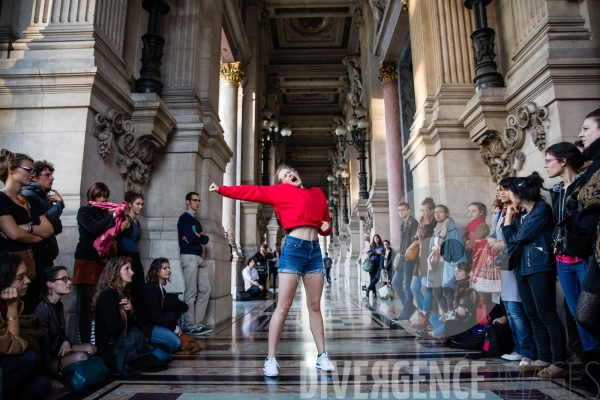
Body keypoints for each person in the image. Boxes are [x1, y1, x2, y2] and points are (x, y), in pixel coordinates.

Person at [210, 164, 334, 377]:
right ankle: (270, 358)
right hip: (293, 249)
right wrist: (222, 189)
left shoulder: (317, 193)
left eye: (291, 172)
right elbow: (251, 192)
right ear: (282, 182)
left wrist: (326, 228)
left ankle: (322, 355)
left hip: (314, 252)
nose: (290, 175)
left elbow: (327, 224)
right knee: (283, 306)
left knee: (314, 305)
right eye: (285, 175)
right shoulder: (280, 192)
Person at [502, 172, 567, 379]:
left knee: (547, 314)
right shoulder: (521, 216)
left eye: (511, 192)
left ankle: (559, 360)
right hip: (522, 268)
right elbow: (511, 239)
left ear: (521, 192)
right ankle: (543, 356)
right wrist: (510, 218)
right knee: (532, 315)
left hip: (539, 267)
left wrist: (512, 229)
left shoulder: (541, 209)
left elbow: (521, 237)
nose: (510, 197)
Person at [545, 142, 599, 358]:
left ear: (563, 161)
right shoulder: (557, 191)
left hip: (584, 255)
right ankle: (590, 359)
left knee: (589, 313)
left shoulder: (585, 184)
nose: (546, 166)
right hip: (562, 258)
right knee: (577, 313)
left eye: (549, 161)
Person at [0, 150, 54, 314]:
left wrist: (28, 228)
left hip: (35, 264)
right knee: (13, 311)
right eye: (28, 169)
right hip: (11, 269)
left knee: (32, 312)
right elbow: (14, 234)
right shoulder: (1, 198)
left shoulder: (31, 200)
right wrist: (39, 237)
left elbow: (49, 229)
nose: (32, 174)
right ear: (11, 169)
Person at [488, 178, 534, 364]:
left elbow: (515, 238)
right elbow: (493, 235)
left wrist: (503, 243)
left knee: (516, 310)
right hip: (503, 265)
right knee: (508, 309)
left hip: (515, 263)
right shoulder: (499, 214)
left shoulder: (519, 212)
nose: (500, 192)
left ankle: (526, 350)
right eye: (498, 189)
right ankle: (517, 348)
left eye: (504, 189)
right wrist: (494, 242)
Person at [93, 256, 168, 373]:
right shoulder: (108, 294)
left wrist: (131, 310)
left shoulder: (121, 293)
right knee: (162, 355)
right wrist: (127, 314)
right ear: (116, 272)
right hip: (114, 350)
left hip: (126, 343)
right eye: (127, 269)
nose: (132, 272)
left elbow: (132, 324)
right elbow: (115, 329)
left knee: (165, 349)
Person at [35, 266, 97, 388]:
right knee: (83, 356)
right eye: (64, 279)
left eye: (68, 278)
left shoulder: (58, 305)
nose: (69, 282)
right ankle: (66, 374)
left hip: (60, 349)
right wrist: (48, 378)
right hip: (48, 360)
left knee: (92, 348)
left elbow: (61, 332)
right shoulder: (42, 309)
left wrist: (65, 341)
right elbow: (43, 347)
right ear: (50, 284)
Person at [0, 252, 51, 400]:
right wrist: (12, 308)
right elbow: (15, 347)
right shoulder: (9, 304)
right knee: (27, 358)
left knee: (42, 385)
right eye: (20, 278)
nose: (28, 280)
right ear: (4, 280)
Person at [73, 182, 117, 344]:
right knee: (86, 305)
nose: (103, 199)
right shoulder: (84, 211)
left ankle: (98, 342)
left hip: (101, 260)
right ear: (92, 195)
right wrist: (112, 217)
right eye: (100, 195)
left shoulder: (104, 215)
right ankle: (84, 342)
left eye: (105, 196)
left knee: (99, 303)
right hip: (86, 259)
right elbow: (93, 228)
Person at [134, 258, 183, 361]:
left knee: (177, 338)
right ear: (156, 271)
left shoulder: (160, 288)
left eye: (169, 267)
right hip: (146, 327)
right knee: (176, 343)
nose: (168, 270)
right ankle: (152, 344)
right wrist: (174, 328)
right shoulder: (151, 289)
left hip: (153, 324)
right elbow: (156, 317)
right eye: (164, 268)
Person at [177, 191, 212, 337]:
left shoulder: (196, 221)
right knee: (191, 292)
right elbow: (192, 238)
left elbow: (206, 240)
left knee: (205, 289)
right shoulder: (184, 219)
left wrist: (197, 236)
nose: (197, 203)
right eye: (194, 200)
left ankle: (197, 324)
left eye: (199, 200)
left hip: (199, 257)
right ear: (187, 201)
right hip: (189, 256)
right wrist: (198, 235)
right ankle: (190, 325)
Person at [22, 160, 64, 270]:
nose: (52, 178)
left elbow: (57, 228)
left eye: (51, 175)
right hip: (37, 255)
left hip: (45, 256)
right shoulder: (29, 195)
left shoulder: (43, 196)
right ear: (34, 177)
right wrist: (59, 204)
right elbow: (44, 223)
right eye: (47, 175)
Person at [426, 205, 465, 315]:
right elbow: (432, 248)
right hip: (437, 266)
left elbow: (457, 249)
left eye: (441, 212)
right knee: (437, 293)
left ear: (446, 214)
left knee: (448, 293)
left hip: (448, 265)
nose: (437, 214)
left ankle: (451, 317)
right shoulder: (436, 230)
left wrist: (444, 255)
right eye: (436, 212)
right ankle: (446, 315)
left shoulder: (453, 230)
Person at [411, 197, 437, 329]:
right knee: (414, 287)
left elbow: (430, 238)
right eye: (422, 210)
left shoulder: (434, 222)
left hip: (428, 258)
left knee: (426, 288)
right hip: (419, 258)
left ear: (432, 210)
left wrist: (427, 223)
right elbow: (417, 236)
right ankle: (423, 312)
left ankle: (426, 315)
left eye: (426, 210)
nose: (423, 213)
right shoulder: (421, 222)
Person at [391, 202, 418, 322]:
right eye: (399, 210)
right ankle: (409, 307)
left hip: (409, 258)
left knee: (407, 286)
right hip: (402, 257)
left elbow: (415, 241)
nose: (401, 212)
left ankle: (405, 313)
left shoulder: (413, 223)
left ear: (409, 210)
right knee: (395, 282)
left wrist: (407, 253)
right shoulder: (403, 224)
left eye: (403, 210)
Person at [118, 191, 145, 297]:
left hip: (136, 257)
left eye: (142, 204)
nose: (141, 206)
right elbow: (114, 240)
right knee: (130, 288)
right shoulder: (126, 220)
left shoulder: (137, 222)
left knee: (139, 285)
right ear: (130, 204)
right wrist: (117, 258)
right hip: (125, 256)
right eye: (138, 204)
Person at [363, 234, 384, 300]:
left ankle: (368, 289)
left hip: (379, 264)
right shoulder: (371, 246)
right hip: (372, 264)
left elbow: (385, 253)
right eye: (375, 238)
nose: (376, 239)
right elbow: (369, 253)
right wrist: (376, 253)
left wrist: (381, 253)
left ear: (379, 239)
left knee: (377, 278)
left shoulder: (382, 246)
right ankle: (374, 294)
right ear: (373, 239)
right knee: (372, 279)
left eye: (377, 238)